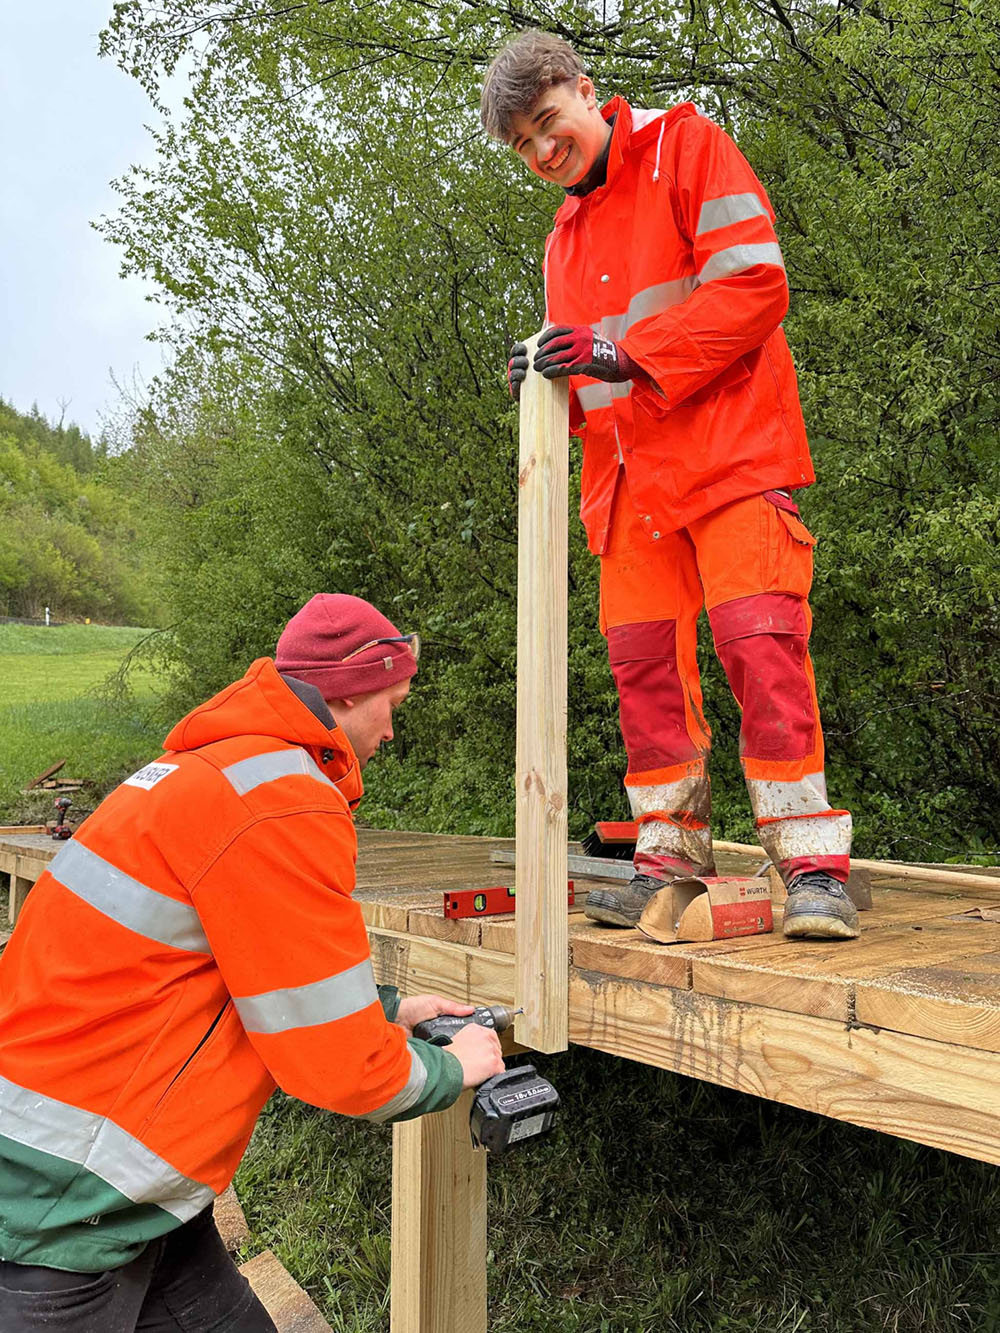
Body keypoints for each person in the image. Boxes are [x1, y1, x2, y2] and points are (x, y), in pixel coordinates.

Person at [0, 593, 505, 1331]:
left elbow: (236, 968)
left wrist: (391, 1008)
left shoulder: (218, 770)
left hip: (128, 1194)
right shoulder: (283, 803)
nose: (392, 729)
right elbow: (339, 1066)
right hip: (69, 1207)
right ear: (351, 686)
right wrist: (454, 1068)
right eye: (391, 702)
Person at [482, 31, 857, 940]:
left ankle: (810, 865)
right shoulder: (561, 241)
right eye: (522, 146)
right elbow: (596, 381)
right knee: (644, 670)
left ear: (584, 88)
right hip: (629, 486)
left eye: (546, 124)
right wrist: (549, 386)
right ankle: (670, 857)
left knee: (759, 646)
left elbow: (756, 285)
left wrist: (625, 351)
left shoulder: (689, 147)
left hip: (729, 457)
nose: (541, 153)